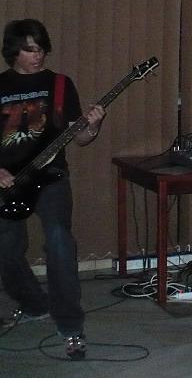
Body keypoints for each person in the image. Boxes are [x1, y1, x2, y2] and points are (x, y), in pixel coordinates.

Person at [0, 19, 106, 360]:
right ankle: (34, 304)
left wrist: (93, 125)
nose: (38, 55)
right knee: (6, 248)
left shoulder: (60, 84)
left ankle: (71, 326)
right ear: (13, 51)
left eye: (41, 49)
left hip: (52, 176)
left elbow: (81, 137)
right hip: (9, 180)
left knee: (60, 239)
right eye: (30, 49)